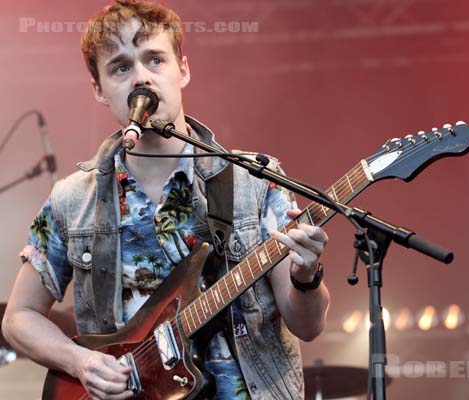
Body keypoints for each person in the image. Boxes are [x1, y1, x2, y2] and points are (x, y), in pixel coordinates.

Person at [2, 1, 330, 399]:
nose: (141, 77)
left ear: (183, 70)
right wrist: (79, 361)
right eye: (121, 67)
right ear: (99, 90)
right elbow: (18, 318)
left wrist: (305, 277)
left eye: (154, 60)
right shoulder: (73, 198)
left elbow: (308, 326)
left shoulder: (254, 180)